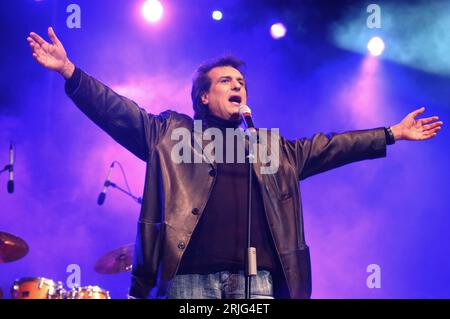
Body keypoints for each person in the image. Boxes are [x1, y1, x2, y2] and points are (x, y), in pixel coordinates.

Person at [27, 27, 443, 299]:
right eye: (226, 80)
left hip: (255, 284)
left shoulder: (271, 150)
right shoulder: (171, 134)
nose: (237, 84)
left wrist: (391, 132)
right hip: (188, 282)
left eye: (240, 81)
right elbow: (117, 111)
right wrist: (70, 72)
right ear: (204, 97)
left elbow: (331, 146)